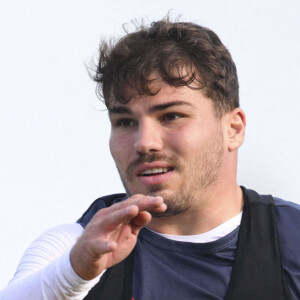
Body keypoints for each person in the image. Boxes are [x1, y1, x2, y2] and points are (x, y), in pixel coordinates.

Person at [1, 18, 300, 300]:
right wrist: (73, 274)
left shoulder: (291, 239)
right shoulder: (74, 248)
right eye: (125, 122)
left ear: (233, 129)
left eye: (171, 116)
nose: (144, 143)